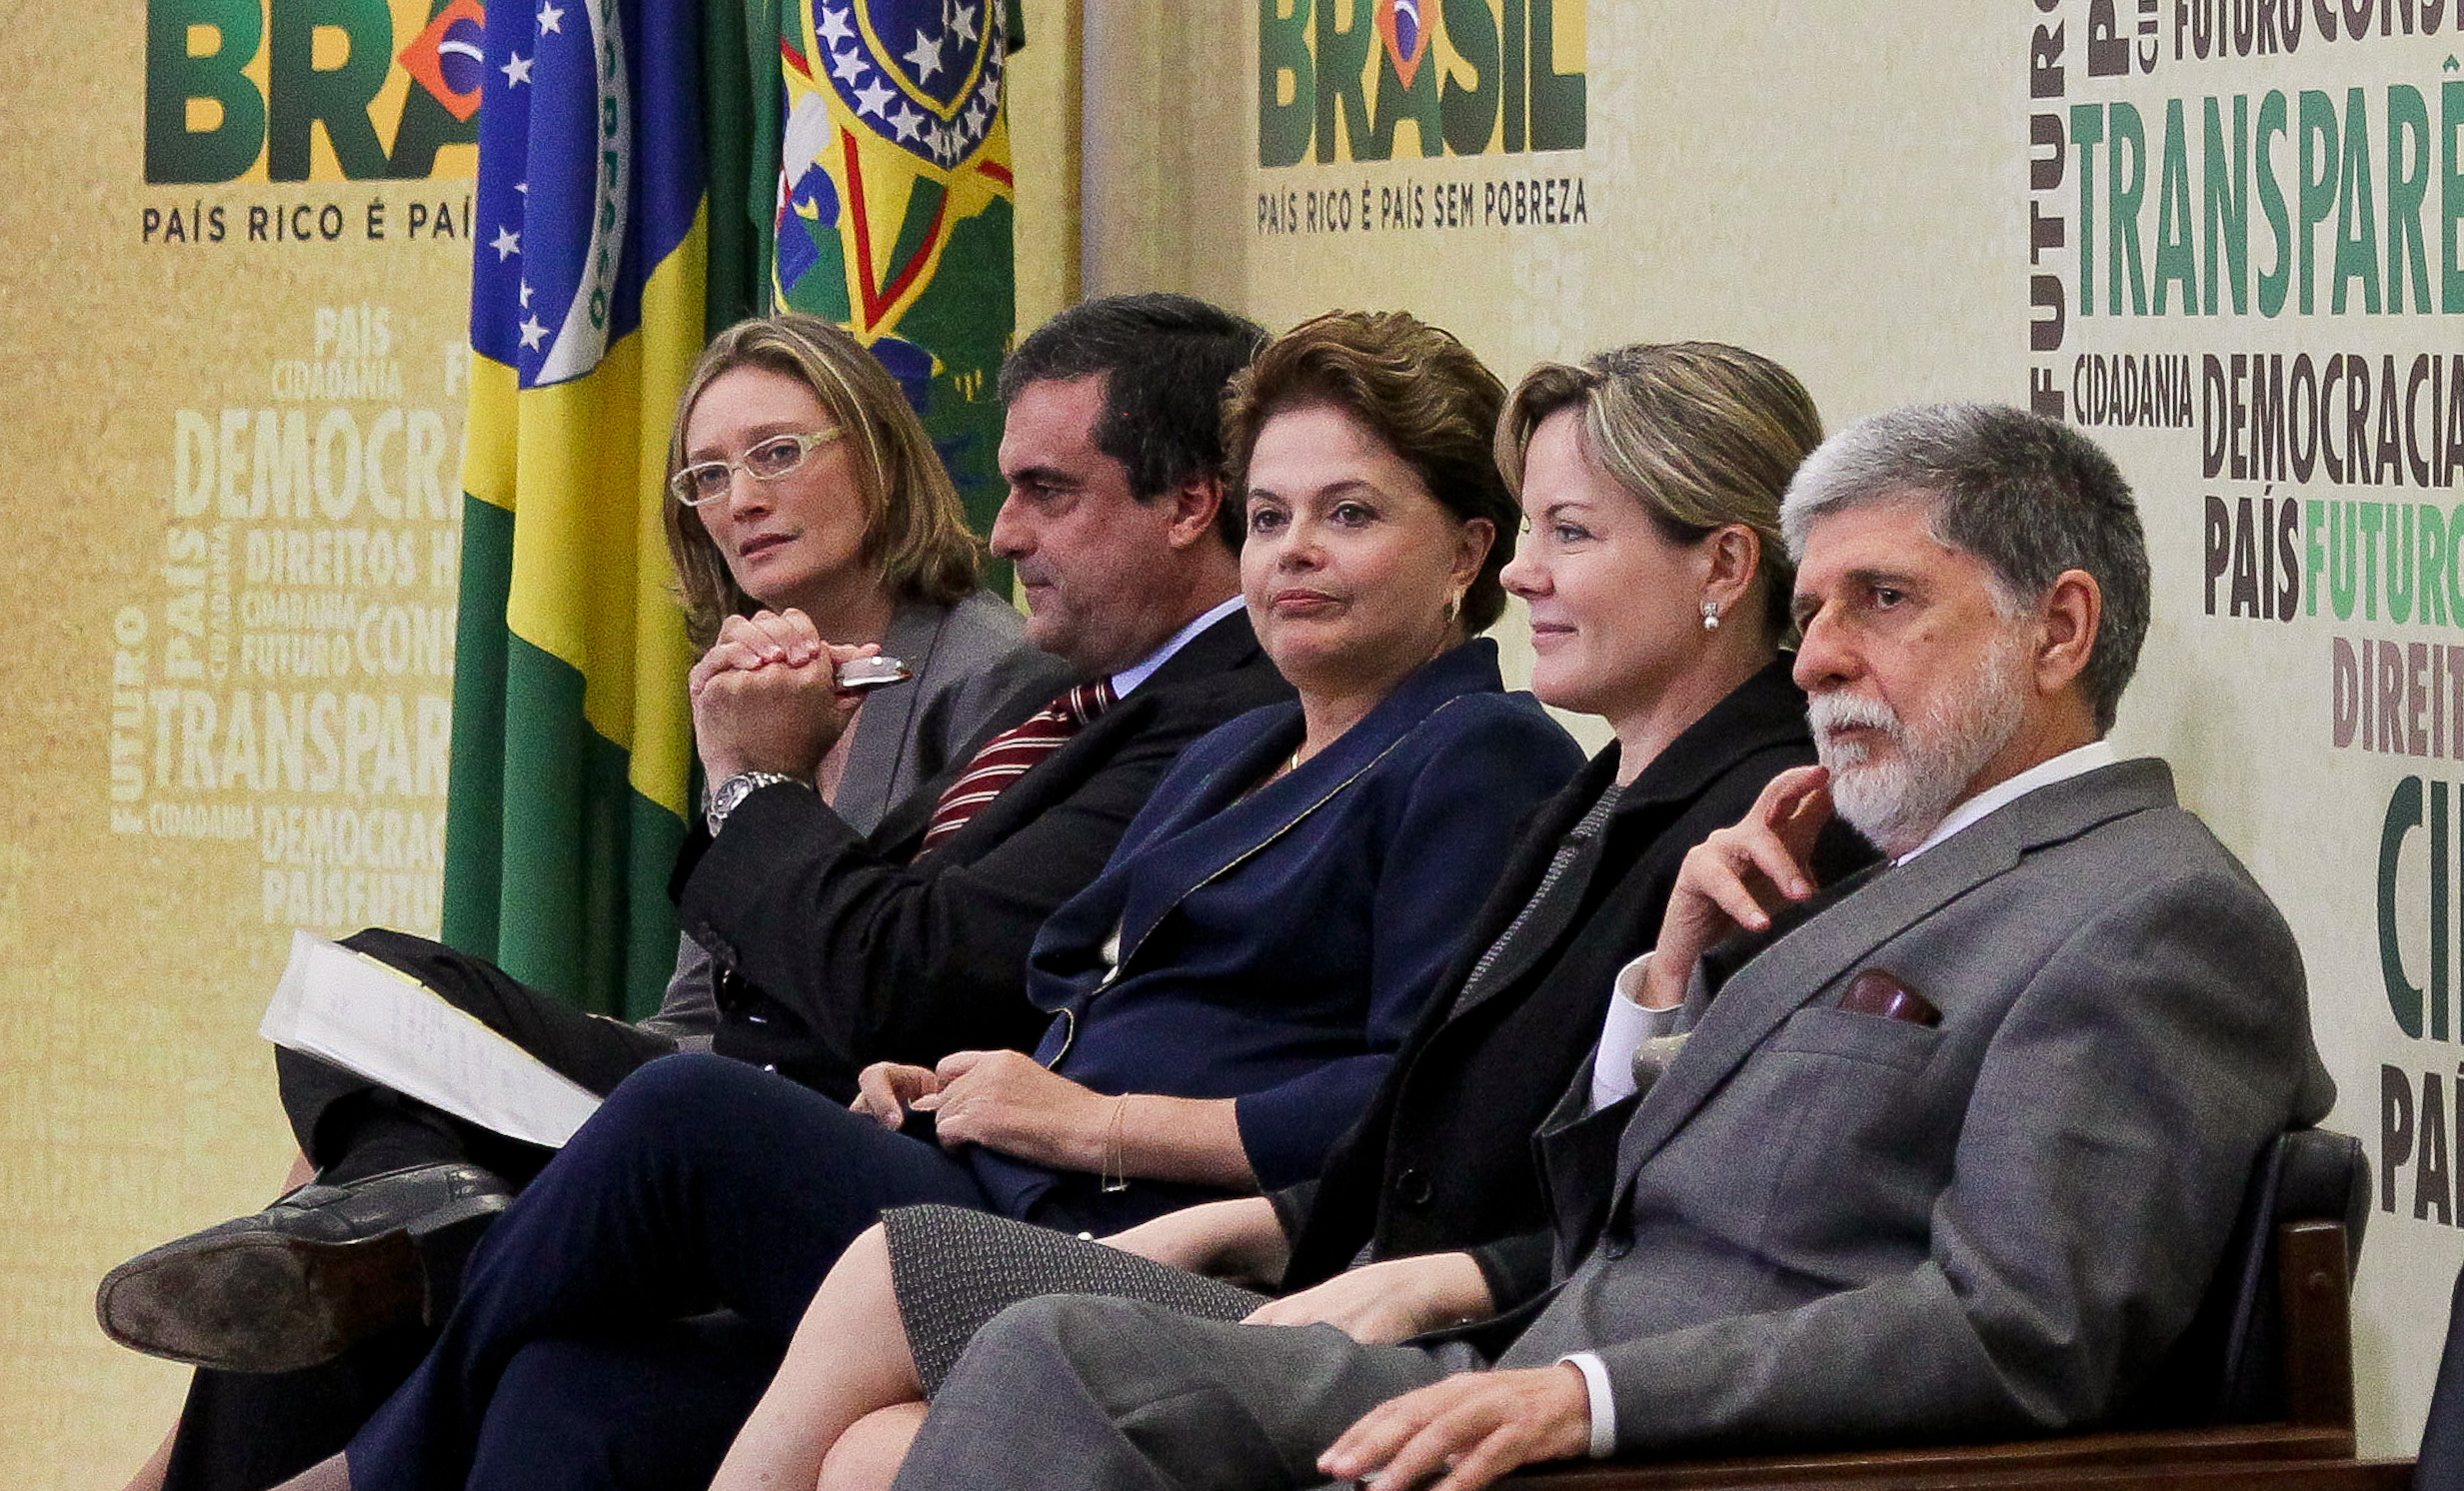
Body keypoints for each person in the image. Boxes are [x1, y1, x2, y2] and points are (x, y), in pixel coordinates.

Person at [878, 401, 2337, 1491]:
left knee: (1051, 1363)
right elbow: (1633, 1205)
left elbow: (2021, 1331)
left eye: (1882, 602)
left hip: (1663, 1448)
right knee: (1058, 1343)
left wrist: (1588, 1396)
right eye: (1814, 604)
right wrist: (1667, 986)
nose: (1819, 651)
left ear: (2059, 629)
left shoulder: (2150, 915)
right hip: (1513, 1364)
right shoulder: (1888, 864)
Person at [278, 310, 1587, 1491]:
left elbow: (1420, 1102)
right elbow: (1079, 992)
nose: (1295, 551)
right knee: (575, 1390)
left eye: (1349, 515)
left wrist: (1104, 1125)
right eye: (1270, 515)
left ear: (1470, 549)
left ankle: (366, 1473)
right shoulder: (1232, 751)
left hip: (1148, 1250)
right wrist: (957, 1072)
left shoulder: (1478, 749)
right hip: (986, 1176)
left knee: (682, 1111)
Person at [718, 341, 1862, 1491]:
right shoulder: (1594, 788)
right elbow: (1443, 1117)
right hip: (1320, 1254)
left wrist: (1430, 1267)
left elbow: (1686, 1210)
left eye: (1569, 535)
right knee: (861, 1443)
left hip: (1488, 1337)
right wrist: (1259, 1217)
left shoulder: (1756, 818)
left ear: (1722, 565)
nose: (1523, 576)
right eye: (1266, 517)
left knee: (850, 1239)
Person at [97, 309, 1102, 1491]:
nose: (741, 500)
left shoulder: (992, 678)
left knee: (368, 1152)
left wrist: (761, 779)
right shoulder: (752, 678)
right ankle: (389, 1214)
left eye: (779, 453)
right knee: (354, 1047)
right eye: (709, 476)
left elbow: (893, 977)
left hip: (818, 1115)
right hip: (698, 1082)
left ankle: (364, 1276)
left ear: (877, 453)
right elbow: (695, 1001)